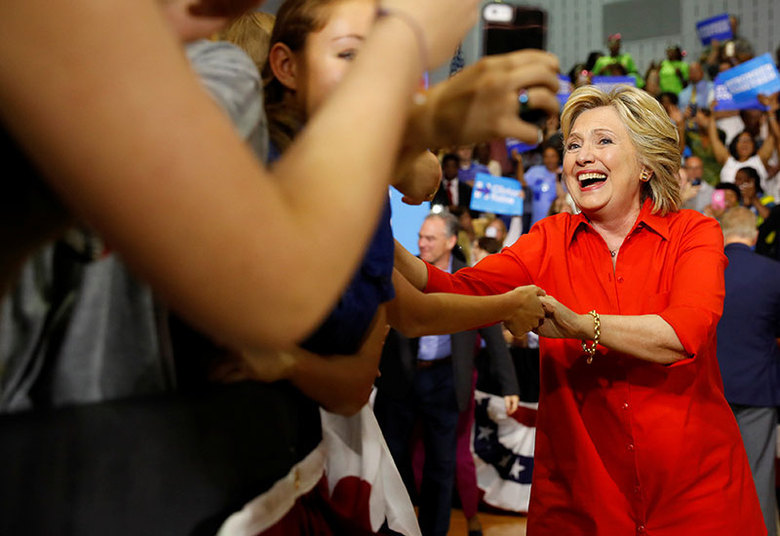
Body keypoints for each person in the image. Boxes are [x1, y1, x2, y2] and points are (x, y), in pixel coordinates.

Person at [393, 84, 766, 535]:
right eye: (573, 145)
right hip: (580, 506)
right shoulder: (547, 240)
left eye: (603, 141)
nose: (582, 156)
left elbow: (683, 334)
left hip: (698, 500)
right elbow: (448, 289)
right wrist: (371, 227)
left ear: (646, 164)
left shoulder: (694, 232)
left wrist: (577, 324)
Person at [374, 212, 520, 536]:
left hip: (445, 381)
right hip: (401, 379)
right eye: (421, 237)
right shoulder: (405, 270)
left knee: (441, 467)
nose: (421, 243)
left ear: (451, 241)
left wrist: (510, 383)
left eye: (430, 239)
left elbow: (492, 329)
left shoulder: (468, 276)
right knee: (392, 461)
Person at [716, 206, 780, 536]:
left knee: (711, 482)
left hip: (710, 391)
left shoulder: (707, 270)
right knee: (759, 480)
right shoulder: (773, 273)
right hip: (759, 389)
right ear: (754, 236)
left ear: (721, 235)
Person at [518, 143, 562, 228]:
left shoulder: (565, 172)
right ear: (543, 158)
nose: (550, 160)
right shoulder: (535, 171)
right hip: (537, 224)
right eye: (546, 157)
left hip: (558, 225)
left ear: (558, 158)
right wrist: (519, 162)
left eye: (553, 156)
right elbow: (522, 182)